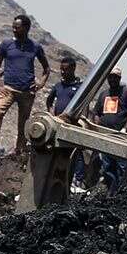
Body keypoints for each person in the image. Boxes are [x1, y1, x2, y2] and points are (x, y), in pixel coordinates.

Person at [0, 14, 50, 155]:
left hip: (27, 92)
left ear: (26, 28)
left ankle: (20, 150)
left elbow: (46, 68)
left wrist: (40, 84)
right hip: (8, 88)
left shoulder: (35, 47)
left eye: (17, 28)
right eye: (13, 27)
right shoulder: (6, 44)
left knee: (23, 122)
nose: (14, 30)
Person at [89, 67, 127, 191]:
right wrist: (97, 124)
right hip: (106, 136)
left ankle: (120, 194)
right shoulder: (104, 94)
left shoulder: (126, 92)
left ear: (119, 78)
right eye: (110, 77)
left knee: (121, 167)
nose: (112, 79)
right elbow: (96, 112)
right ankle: (110, 194)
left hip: (120, 137)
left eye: (115, 77)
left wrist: (125, 127)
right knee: (107, 167)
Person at [45, 56, 87, 192]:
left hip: (72, 124)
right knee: (56, 151)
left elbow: (85, 104)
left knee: (75, 152)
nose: (63, 72)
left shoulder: (79, 87)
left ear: (73, 69)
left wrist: (82, 119)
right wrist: (52, 115)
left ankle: (76, 180)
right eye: (61, 70)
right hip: (58, 124)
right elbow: (49, 101)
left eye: (66, 69)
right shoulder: (58, 86)